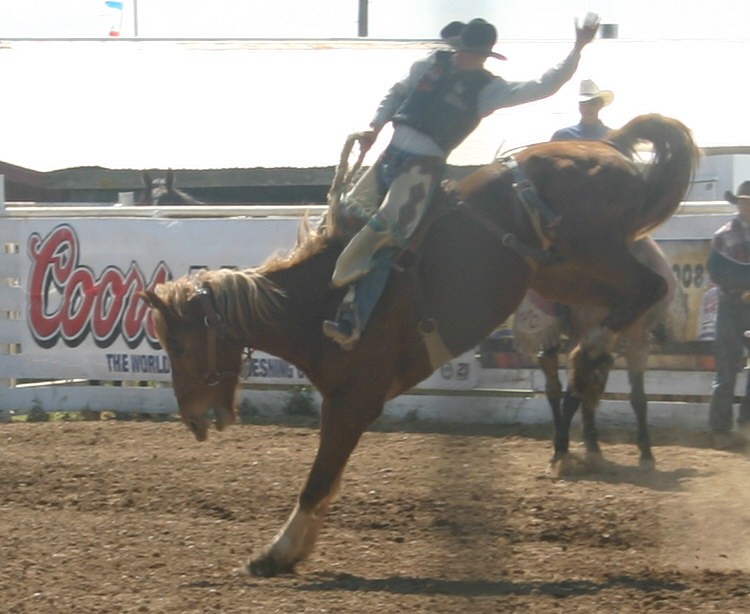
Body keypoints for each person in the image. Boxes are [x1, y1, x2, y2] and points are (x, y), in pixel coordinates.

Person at [323, 14, 602, 349]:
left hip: (420, 172)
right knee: (345, 216)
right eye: (461, 49)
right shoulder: (430, 64)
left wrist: (577, 49)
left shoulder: (488, 90)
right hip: (389, 157)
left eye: (469, 52)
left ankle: (353, 322)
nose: (462, 56)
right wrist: (375, 127)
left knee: (385, 238)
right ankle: (329, 290)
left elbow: (544, 85)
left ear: (482, 56)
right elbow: (396, 95)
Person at [706, 180, 750, 449]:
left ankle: (745, 427)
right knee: (726, 369)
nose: (747, 207)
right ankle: (721, 429)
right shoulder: (723, 235)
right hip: (732, 304)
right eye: (744, 202)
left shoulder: (723, 234)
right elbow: (717, 273)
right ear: (738, 204)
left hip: (735, 304)